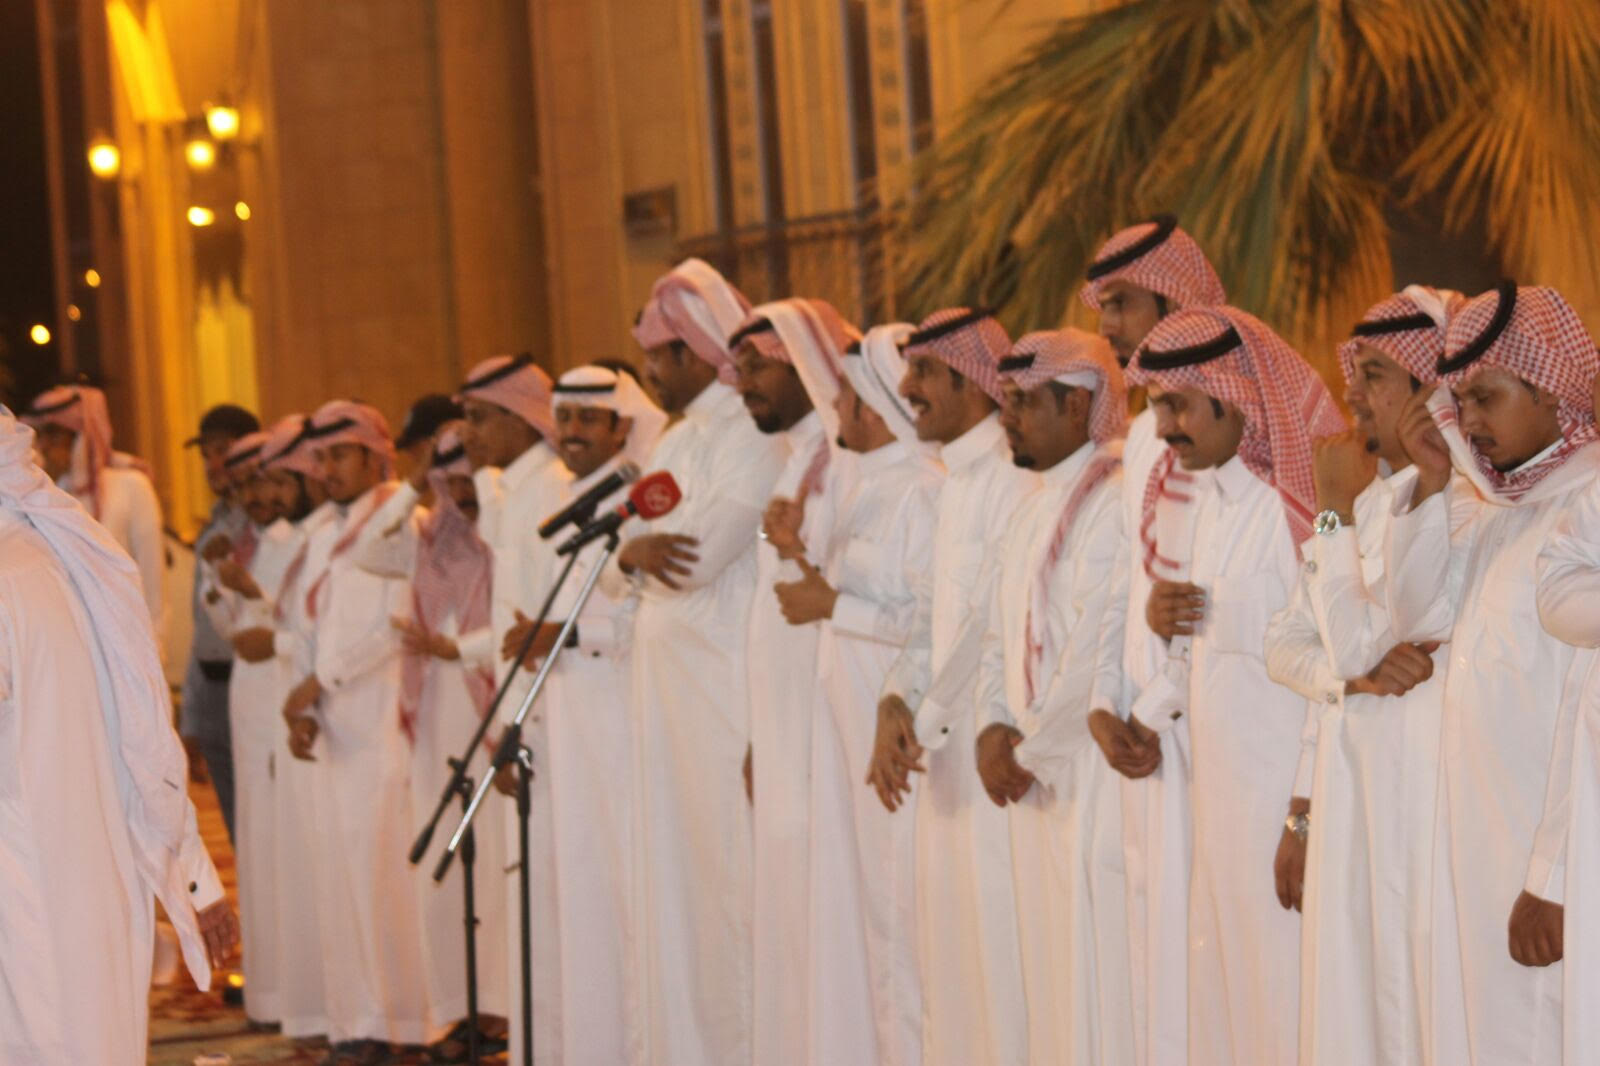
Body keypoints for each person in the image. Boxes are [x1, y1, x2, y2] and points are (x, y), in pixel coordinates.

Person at [1384, 284, 1600, 1066]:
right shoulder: (1490, 510)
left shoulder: (1590, 506)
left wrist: (1555, 875)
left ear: (1550, 388)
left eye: (1485, 397)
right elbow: (1415, 617)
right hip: (1472, 844)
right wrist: (1432, 482)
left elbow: (1588, 710)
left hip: (1551, 862)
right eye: (1461, 399)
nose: (1468, 419)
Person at [1127, 305, 1345, 1065]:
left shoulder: (1303, 509)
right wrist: (1148, 702)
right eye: (1157, 407)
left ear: (1233, 396)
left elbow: (1334, 668)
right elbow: (1209, 657)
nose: (1163, 428)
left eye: (1177, 405)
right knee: (1230, 1006)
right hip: (1218, 813)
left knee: (1287, 1005)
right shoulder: (1208, 508)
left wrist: (1304, 818)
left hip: (1283, 818)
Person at [1262, 287, 1467, 1066]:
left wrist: (1331, 513)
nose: (1351, 394)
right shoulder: (1373, 503)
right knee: (1354, 1010)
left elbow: (1350, 647)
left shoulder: (1463, 506)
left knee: (1417, 1011)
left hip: (1420, 806)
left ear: (1429, 388)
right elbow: (1287, 646)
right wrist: (1302, 815)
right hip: (1350, 800)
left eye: (1374, 374)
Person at [0, 404, 238, 1063]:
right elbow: (142, 736)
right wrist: (194, 874)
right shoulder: (61, 554)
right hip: (94, 879)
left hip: (26, 890)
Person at [602, 257, 782, 1065]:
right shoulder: (674, 440)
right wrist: (631, 552)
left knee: (724, 883)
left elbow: (696, 557)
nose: (650, 372)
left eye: (660, 356)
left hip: (719, 696)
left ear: (699, 351)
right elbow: (618, 556)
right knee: (670, 883)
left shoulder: (749, 435)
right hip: (665, 703)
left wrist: (637, 552)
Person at [867, 306, 1037, 1066]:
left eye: (925, 371)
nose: (907, 387)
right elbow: (935, 616)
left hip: (996, 748)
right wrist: (894, 698)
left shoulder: (1010, 475)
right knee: (954, 958)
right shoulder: (955, 482)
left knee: (1003, 956)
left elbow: (989, 620)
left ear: (972, 381)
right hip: (947, 754)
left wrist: (924, 713)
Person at [1078, 216, 1226, 1066]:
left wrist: (1154, 704)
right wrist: (1107, 701)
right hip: (1144, 740)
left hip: (1221, 741)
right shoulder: (1142, 435)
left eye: (1122, 303)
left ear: (1173, 300)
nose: (1107, 325)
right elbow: (1126, 589)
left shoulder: (1237, 422)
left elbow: (1317, 544)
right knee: (1154, 965)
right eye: (1101, 307)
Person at [771, 321, 937, 1066]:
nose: (835, 408)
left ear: (873, 403)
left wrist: (833, 605)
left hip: (902, 738)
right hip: (850, 732)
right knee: (871, 919)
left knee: (905, 923)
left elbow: (931, 623)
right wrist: (794, 555)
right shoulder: (870, 486)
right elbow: (832, 603)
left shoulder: (924, 492)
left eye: (845, 396)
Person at [974, 328, 1134, 1065]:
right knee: (1046, 979)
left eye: (1022, 402)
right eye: (1006, 400)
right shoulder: (1031, 506)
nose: (1006, 417)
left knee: (1095, 979)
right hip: (1030, 774)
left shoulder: (1119, 498)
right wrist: (990, 725)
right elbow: (998, 634)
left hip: (1090, 776)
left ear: (1076, 406)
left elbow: (1098, 647)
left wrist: (1030, 750)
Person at [503, 364, 667, 1064]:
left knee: (619, 900)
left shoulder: (644, 501)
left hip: (619, 725)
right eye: (563, 418)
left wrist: (565, 636)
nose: (570, 433)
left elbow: (643, 618)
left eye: (586, 420)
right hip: (565, 725)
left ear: (620, 426)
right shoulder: (570, 503)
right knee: (573, 901)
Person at [343, 419, 510, 1060]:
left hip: (490, 709)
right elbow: (367, 551)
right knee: (447, 858)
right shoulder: (426, 536)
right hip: (436, 713)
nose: (461, 494)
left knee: (494, 863)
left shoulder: (504, 531)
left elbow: (518, 621)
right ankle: (460, 1005)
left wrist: (457, 648)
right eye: (450, 481)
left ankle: (498, 1008)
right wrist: (414, 487)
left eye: (469, 480)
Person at [281, 400, 437, 1061]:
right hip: (331, 727)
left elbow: (395, 624)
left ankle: (394, 1024)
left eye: (340, 455)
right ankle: (351, 1023)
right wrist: (305, 705)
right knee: (337, 877)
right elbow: (309, 624)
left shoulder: (405, 520)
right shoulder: (322, 533)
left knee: (381, 875)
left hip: (381, 719)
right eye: (321, 458)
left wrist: (323, 682)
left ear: (377, 458)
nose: (327, 469)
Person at [729, 298, 860, 1066]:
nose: (742, 381)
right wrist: (761, 734)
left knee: (828, 896)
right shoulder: (797, 460)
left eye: (757, 366)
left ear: (805, 365)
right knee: (788, 898)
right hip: (782, 726)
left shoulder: (843, 461)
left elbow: (841, 595)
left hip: (824, 720)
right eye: (738, 367)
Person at [452, 351, 565, 1064]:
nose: (468, 434)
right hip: (518, 716)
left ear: (524, 418)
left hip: (547, 723)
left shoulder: (551, 489)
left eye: (480, 418)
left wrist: (515, 729)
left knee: (550, 897)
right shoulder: (510, 489)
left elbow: (540, 628)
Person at [193, 429, 296, 1024]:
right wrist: (219, 578)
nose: (255, 496)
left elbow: (300, 622)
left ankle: (292, 988)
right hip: (247, 701)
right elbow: (231, 628)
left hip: (287, 704)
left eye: (265, 482)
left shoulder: (296, 539)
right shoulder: (249, 542)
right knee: (255, 846)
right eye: (246, 486)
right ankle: (269, 980)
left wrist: (250, 589)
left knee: (286, 849)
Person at [241, 414, 336, 1040]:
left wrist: (275, 645)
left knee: (323, 864)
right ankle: (302, 1003)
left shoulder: (328, 535)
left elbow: (322, 632)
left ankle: (334, 1009)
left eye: (283, 480)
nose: (272, 494)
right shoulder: (295, 537)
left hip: (326, 709)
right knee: (289, 861)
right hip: (283, 708)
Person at [175, 402, 263, 840]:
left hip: (252, 681)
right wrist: (192, 720)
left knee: (264, 825)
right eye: (206, 454)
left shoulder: (262, 524)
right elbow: (202, 626)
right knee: (236, 830)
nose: (213, 465)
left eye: (222, 451)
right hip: (212, 691)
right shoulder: (213, 528)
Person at [22, 383, 168, 639]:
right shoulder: (49, 498)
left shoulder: (131, 486)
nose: (44, 447)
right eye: (41, 436)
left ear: (81, 437)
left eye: (54, 436)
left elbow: (153, 581)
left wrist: (156, 648)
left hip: (127, 636)